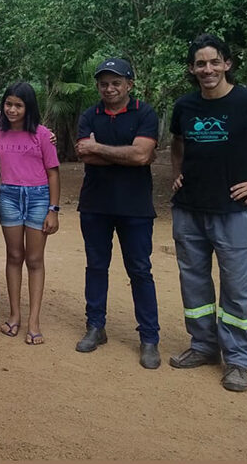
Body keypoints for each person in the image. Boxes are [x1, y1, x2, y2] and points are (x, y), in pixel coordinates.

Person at [168, 34, 247, 393]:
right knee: (193, 281)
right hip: (189, 210)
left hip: (233, 211)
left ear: (227, 63)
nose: (208, 69)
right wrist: (177, 172)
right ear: (192, 69)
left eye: (214, 62)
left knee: (236, 288)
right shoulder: (185, 106)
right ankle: (203, 347)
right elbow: (178, 142)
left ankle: (238, 360)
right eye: (200, 63)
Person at [74, 58, 160, 369]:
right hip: (95, 205)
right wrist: (125, 153)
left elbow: (141, 155)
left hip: (135, 208)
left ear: (129, 84)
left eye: (115, 82)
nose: (109, 88)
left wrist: (102, 149)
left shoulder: (145, 112)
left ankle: (149, 338)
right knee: (96, 266)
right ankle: (96, 327)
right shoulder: (90, 115)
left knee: (140, 270)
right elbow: (85, 155)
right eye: (103, 83)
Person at [0, 82, 60, 345]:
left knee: (34, 259)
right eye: (8, 104)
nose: (12, 110)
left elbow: (53, 172)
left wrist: (53, 210)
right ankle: (14, 315)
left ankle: (34, 320)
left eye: (18, 105)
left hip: (38, 197)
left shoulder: (43, 134)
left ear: (28, 107)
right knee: (13, 256)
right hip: (9, 196)